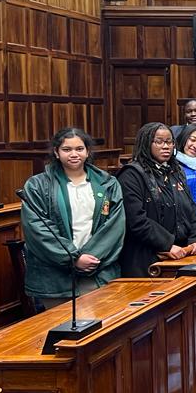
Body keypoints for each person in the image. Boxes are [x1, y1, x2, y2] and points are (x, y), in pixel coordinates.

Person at [21, 127, 125, 310]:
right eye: (67, 149)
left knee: (101, 332)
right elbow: (38, 228)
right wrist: (73, 258)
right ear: (56, 152)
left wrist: (91, 257)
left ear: (87, 151)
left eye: (79, 149)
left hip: (97, 271)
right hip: (56, 279)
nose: (74, 154)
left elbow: (115, 226)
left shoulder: (107, 183)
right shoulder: (37, 185)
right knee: (61, 331)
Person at [116, 123, 196, 277]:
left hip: (181, 255)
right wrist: (168, 244)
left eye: (169, 142)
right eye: (159, 142)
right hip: (147, 259)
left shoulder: (176, 171)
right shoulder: (131, 174)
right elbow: (136, 221)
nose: (166, 146)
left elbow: (190, 210)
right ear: (146, 143)